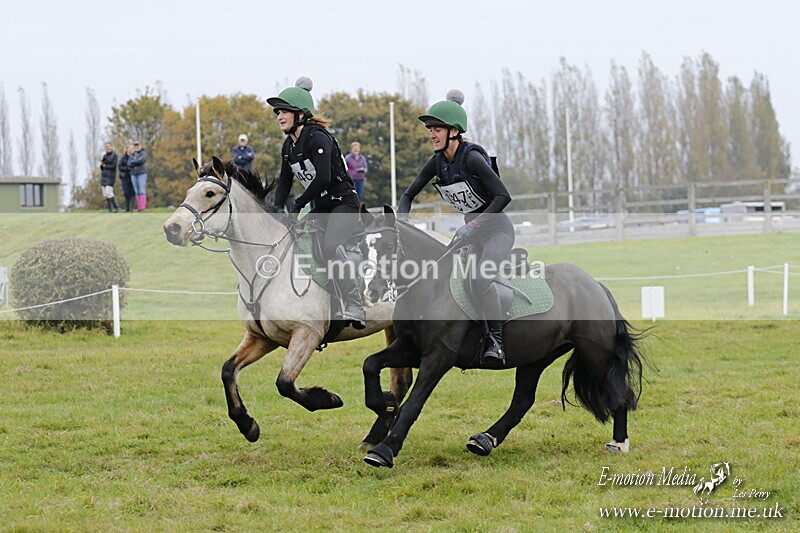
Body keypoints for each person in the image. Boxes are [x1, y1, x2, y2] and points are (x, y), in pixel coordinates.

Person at [398, 90, 513, 367]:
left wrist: (474, 223)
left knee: (480, 278)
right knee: (443, 275)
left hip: (497, 232)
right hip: (470, 236)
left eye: (436, 129)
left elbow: (503, 197)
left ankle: (495, 341)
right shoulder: (437, 162)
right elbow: (407, 196)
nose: (431, 135)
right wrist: (401, 221)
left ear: (454, 132)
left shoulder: (471, 158)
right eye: (430, 129)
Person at [268, 77, 365, 329]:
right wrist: (278, 210)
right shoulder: (288, 146)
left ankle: (355, 301)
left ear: (300, 114)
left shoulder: (317, 138)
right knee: (294, 243)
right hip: (321, 208)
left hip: (343, 204)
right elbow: (284, 183)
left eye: (284, 111)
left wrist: (299, 203)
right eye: (278, 112)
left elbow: (324, 178)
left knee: (331, 245)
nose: (279, 116)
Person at [128, 140, 148, 212]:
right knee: (136, 191)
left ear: (140, 146)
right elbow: (129, 164)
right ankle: (139, 207)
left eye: (137, 145)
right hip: (133, 174)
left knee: (141, 190)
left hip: (141, 173)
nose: (136, 147)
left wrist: (134, 162)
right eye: (135, 145)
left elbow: (142, 161)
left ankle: (143, 207)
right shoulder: (132, 155)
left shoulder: (143, 153)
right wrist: (135, 162)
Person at [100, 142, 120, 213]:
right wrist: (102, 165)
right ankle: (110, 210)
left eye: (109, 146)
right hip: (104, 176)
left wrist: (106, 166)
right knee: (105, 194)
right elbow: (102, 168)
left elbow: (114, 166)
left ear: (112, 147)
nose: (108, 148)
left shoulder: (114, 156)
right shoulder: (104, 156)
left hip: (111, 176)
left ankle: (117, 207)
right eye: (106, 147)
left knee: (109, 192)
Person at [118, 144, 136, 212]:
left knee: (133, 192)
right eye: (129, 148)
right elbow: (120, 166)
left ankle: (132, 207)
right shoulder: (123, 158)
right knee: (126, 192)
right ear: (127, 149)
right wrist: (127, 168)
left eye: (132, 149)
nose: (130, 150)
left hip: (133, 176)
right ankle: (127, 207)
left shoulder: (134, 157)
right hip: (125, 176)